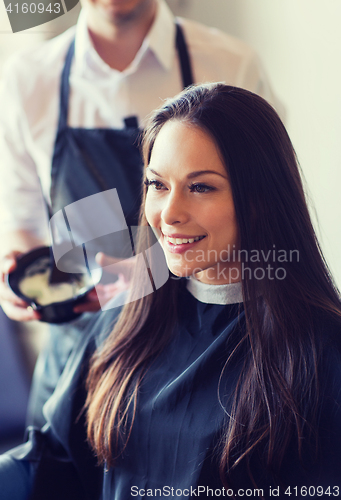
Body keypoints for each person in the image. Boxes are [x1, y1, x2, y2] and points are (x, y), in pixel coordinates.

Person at [1, 83, 340, 499]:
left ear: (260, 199)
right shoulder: (127, 318)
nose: (170, 213)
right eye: (157, 185)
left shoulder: (322, 352)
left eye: (201, 187)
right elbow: (56, 461)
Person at [0, 0, 283, 428]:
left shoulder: (230, 64)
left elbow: (266, 211)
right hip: (75, 359)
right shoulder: (27, 78)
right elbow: (21, 224)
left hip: (198, 360)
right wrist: (19, 278)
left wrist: (151, 274)